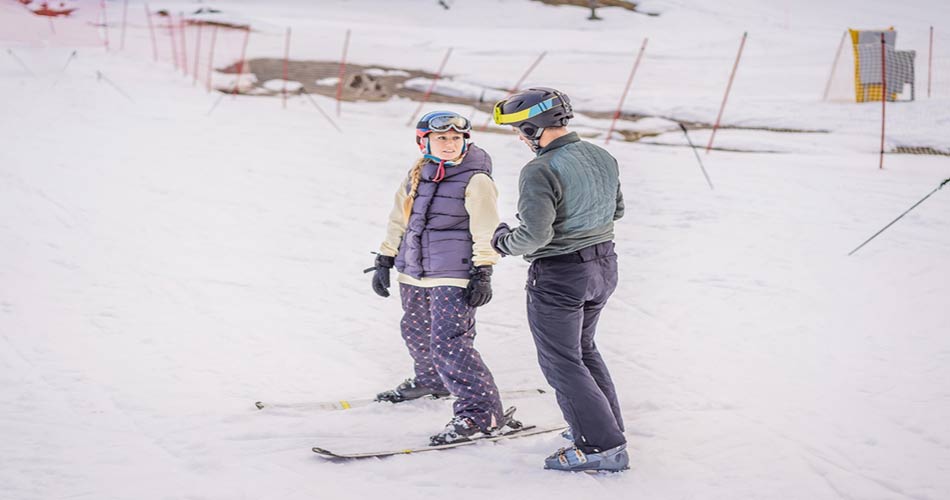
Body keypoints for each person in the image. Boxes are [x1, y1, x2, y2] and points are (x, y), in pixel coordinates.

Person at [490, 87, 629, 472]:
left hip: (560, 273)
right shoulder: (601, 155)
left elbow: (534, 236)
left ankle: (602, 446)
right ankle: (603, 427)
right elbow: (616, 210)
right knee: (582, 351)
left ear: (535, 127)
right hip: (603, 265)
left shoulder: (540, 169)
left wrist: (502, 241)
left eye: (520, 129)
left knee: (561, 361)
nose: (520, 137)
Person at [365, 110, 514, 445]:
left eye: (456, 137)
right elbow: (398, 219)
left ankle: (481, 413)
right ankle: (432, 380)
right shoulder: (418, 173)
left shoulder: (476, 179)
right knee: (415, 330)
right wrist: (386, 257)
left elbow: (486, 227)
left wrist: (483, 270)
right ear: (425, 141)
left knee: (450, 342)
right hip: (415, 270)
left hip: (454, 271)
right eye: (441, 138)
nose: (449, 144)